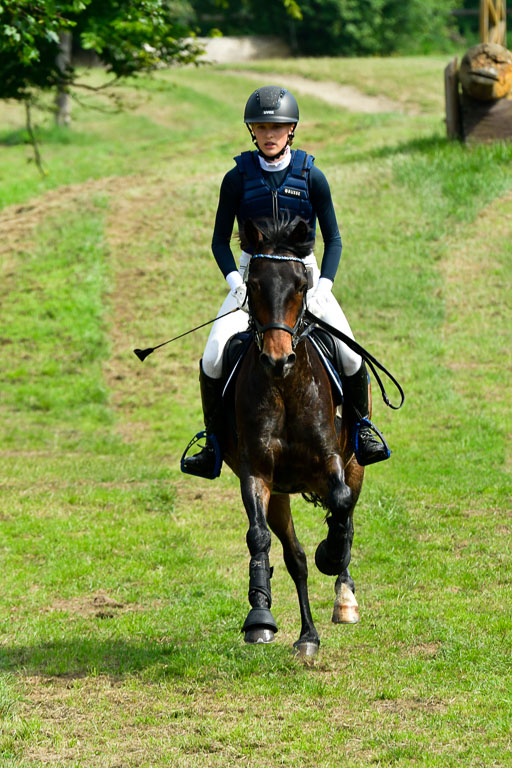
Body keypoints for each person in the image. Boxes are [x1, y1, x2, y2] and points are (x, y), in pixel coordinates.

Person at [182, 85, 390, 478]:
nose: (269, 134)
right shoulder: (236, 178)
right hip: (251, 277)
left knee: (351, 355)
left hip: (303, 277)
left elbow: (335, 239)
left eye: (277, 127)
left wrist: (324, 283)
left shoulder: (313, 176)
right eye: (261, 127)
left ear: (291, 129)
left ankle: (363, 430)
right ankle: (212, 443)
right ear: (252, 132)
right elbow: (218, 241)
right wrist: (234, 281)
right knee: (212, 356)